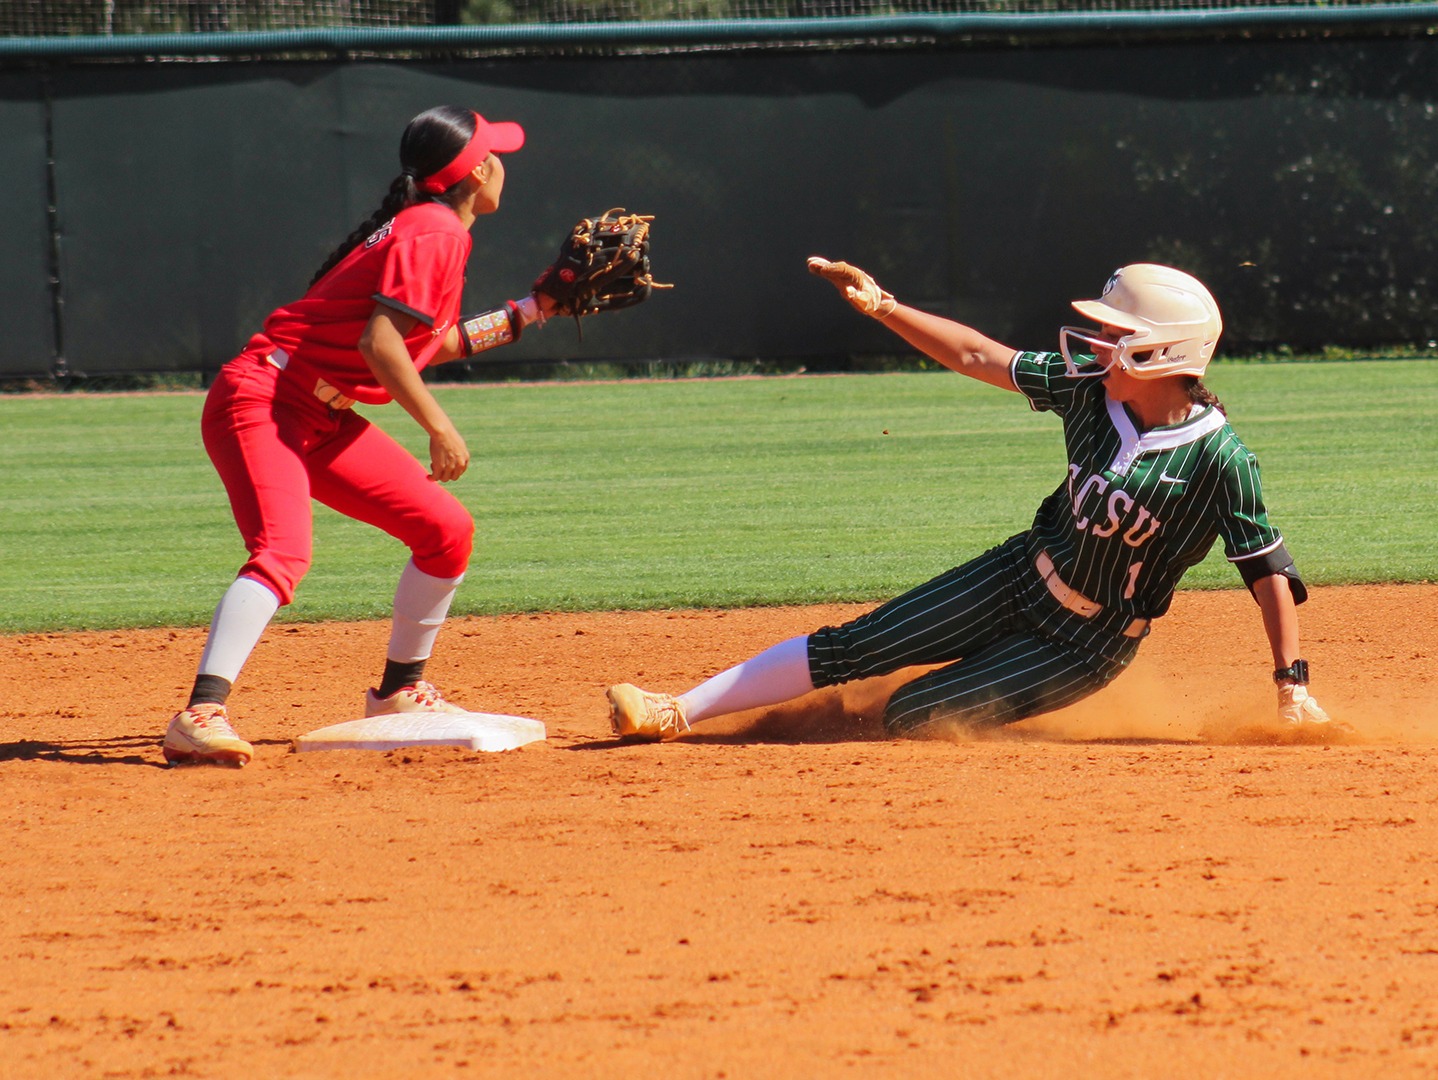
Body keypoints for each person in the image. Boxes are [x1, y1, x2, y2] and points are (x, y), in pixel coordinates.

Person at [606, 256, 1330, 741]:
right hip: (1019, 574)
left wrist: (1290, 686)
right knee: (854, 644)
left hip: (1086, 644)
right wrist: (886, 307)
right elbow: (981, 355)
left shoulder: (1221, 459)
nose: (1097, 342)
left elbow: (1266, 571)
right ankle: (674, 711)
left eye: (1118, 334)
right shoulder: (1087, 390)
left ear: (1165, 353)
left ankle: (888, 709)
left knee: (912, 714)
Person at [163, 106, 554, 766]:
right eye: (494, 153)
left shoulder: (431, 228)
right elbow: (381, 345)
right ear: (477, 171)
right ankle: (199, 712)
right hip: (266, 398)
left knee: (445, 530)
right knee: (282, 551)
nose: (501, 165)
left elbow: (431, 343)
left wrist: (534, 309)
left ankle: (399, 693)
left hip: (319, 415)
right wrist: (439, 427)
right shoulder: (435, 231)